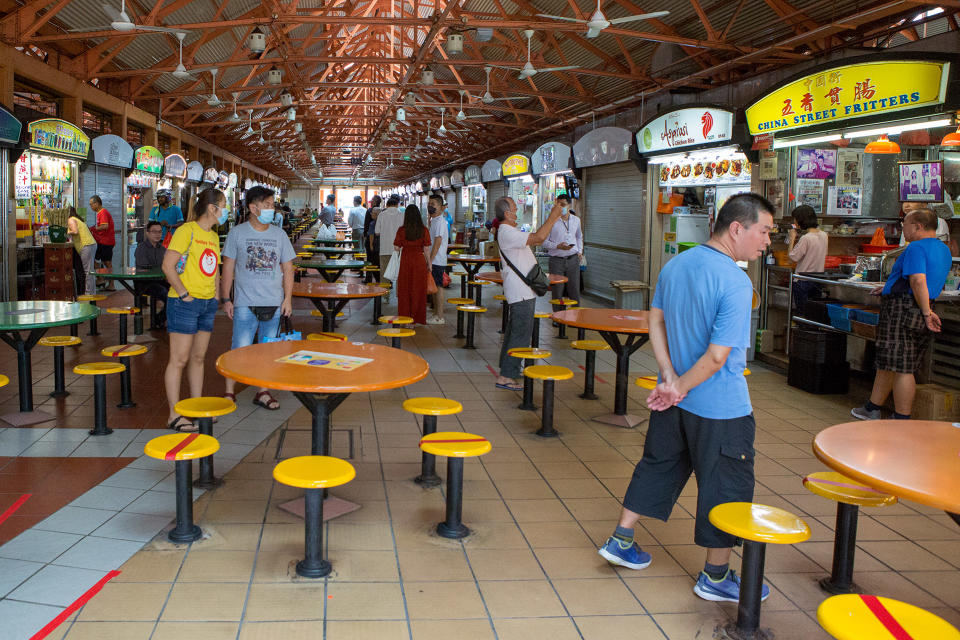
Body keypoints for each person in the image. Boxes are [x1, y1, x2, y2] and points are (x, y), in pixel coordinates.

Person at [597, 193, 776, 605]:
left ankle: (622, 538)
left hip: (675, 399)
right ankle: (716, 575)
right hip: (721, 409)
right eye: (764, 231)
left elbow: (654, 320)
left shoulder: (677, 264)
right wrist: (677, 385)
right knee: (726, 485)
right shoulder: (734, 281)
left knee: (659, 464)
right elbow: (717, 357)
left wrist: (669, 376)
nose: (767, 241)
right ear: (737, 228)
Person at [852, 208, 952, 421]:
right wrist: (889, 287)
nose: (902, 228)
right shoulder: (944, 249)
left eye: (905, 224)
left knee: (903, 367)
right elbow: (925, 281)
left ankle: (901, 418)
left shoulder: (916, 247)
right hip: (918, 305)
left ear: (918, 226)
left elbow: (918, 280)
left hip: (905, 308)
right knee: (890, 361)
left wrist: (926, 313)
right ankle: (872, 407)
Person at [221, 186, 296, 411]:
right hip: (245, 302)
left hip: (274, 301)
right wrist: (226, 298)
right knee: (239, 348)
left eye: (272, 205)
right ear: (253, 208)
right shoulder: (237, 233)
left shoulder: (279, 234)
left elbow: (288, 268)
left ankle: (262, 391)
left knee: (267, 349)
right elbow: (228, 268)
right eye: (268, 205)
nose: (272, 210)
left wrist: (288, 299)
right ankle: (229, 392)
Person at [161, 188, 227, 432]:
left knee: (199, 358)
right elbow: (167, 266)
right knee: (179, 359)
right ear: (212, 208)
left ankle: (197, 408)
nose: (226, 210)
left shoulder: (211, 235)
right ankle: (174, 414)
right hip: (184, 304)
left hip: (207, 303)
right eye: (223, 205)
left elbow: (215, 268)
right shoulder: (185, 231)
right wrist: (184, 294)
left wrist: (217, 295)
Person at [494, 197, 563, 390]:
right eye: (515, 209)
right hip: (520, 292)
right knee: (520, 334)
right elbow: (539, 238)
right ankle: (507, 376)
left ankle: (508, 370)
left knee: (515, 332)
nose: (518, 211)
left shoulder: (509, 231)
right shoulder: (506, 232)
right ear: (507, 214)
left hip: (522, 291)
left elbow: (535, 237)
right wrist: (553, 216)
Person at [393, 205, 432, 325]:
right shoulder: (424, 230)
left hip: (405, 261)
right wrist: (429, 264)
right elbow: (426, 249)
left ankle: (405, 318)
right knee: (418, 290)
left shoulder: (401, 230)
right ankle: (417, 318)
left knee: (405, 290)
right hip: (419, 261)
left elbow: (396, 247)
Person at [542, 194, 583, 306]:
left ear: (570, 205)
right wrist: (557, 246)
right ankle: (558, 319)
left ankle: (575, 317)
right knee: (557, 291)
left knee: (574, 289)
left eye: (563, 205)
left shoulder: (576, 220)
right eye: (558, 204)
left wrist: (580, 251)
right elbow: (544, 241)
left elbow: (579, 236)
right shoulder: (550, 221)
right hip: (556, 261)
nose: (560, 207)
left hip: (573, 260)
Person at [787, 204, 828, 310]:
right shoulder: (824, 235)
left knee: (802, 312)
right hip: (818, 280)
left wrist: (792, 239)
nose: (795, 222)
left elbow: (793, 257)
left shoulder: (806, 238)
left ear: (801, 220)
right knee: (814, 313)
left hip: (803, 280)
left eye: (795, 220)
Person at [135, 221, 171, 327]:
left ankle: (159, 318)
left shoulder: (163, 249)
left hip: (159, 281)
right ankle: (158, 319)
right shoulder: (141, 248)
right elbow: (145, 268)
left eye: (159, 232)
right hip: (145, 283)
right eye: (154, 232)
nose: (157, 234)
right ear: (147, 233)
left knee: (177, 292)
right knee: (166, 293)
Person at [427, 195, 449, 324]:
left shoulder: (441, 221)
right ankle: (436, 313)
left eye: (433, 204)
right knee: (434, 287)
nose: (430, 206)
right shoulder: (434, 220)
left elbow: (438, 242)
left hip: (437, 260)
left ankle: (440, 316)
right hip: (434, 260)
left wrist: (430, 259)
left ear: (441, 207)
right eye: (429, 203)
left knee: (439, 287)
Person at [375, 196, 404, 292]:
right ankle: (399, 294)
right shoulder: (402, 215)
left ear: (387, 205)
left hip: (384, 248)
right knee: (400, 272)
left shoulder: (381, 215)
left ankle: (384, 295)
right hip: (398, 249)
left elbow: (377, 232)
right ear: (397, 205)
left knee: (384, 273)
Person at [66, 207, 97, 296]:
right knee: (90, 271)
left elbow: (75, 231)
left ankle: (88, 294)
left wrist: (67, 233)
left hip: (86, 245)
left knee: (88, 271)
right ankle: (92, 293)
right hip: (91, 244)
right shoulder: (78, 219)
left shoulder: (71, 219)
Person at [89, 195, 115, 285]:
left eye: (91, 204)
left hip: (106, 242)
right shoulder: (100, 213)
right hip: (102, 241)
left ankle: (110, 284)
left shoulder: (103, 212)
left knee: (107, 262)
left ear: (97, 203)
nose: (91, 207)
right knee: (97, 261)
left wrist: (94, 228)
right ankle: (101, 279)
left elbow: (105, 226)